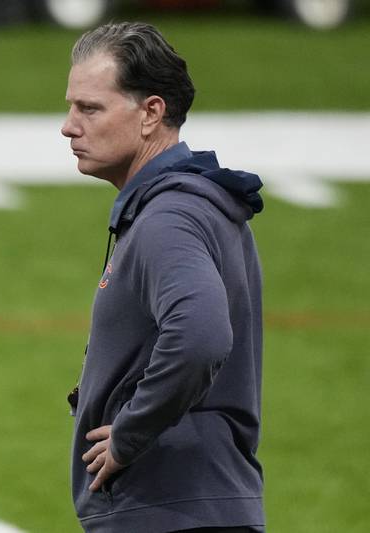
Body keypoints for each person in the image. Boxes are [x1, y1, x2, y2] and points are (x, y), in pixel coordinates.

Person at [61, 22, 265, 533]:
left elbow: (200, 335)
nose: (68, 126)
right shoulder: (194, 207)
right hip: (201, 505)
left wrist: (129, 433)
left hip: (168, 511)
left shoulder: (168, 219)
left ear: (151, 112)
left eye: (90, 108)